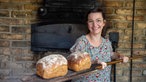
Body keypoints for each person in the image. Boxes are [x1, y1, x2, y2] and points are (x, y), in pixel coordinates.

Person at [70, 7, 129, 82]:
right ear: (87, 23)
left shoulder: (107, 42)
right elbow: (73, 62)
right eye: (91, 21)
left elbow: (110, 54)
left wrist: (119, 56)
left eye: (98, 20)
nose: (95, 25)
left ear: (104, 23)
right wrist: (94, 62)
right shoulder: (81, 42)